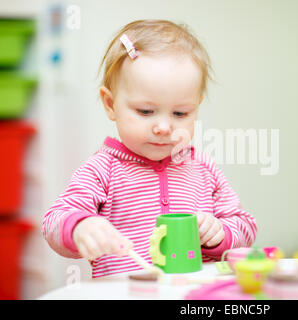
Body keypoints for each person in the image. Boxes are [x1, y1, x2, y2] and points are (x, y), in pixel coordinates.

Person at [42, 19, 257, 278]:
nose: (164, 127)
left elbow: (245, 227)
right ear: (110, 104)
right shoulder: (103, 170)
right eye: (146, 111)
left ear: (196, 107)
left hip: (191, 296)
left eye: (180, 113)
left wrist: (220, 233)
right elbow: (54, 220)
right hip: (124, 294)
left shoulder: (203, 169)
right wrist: (80, 227)